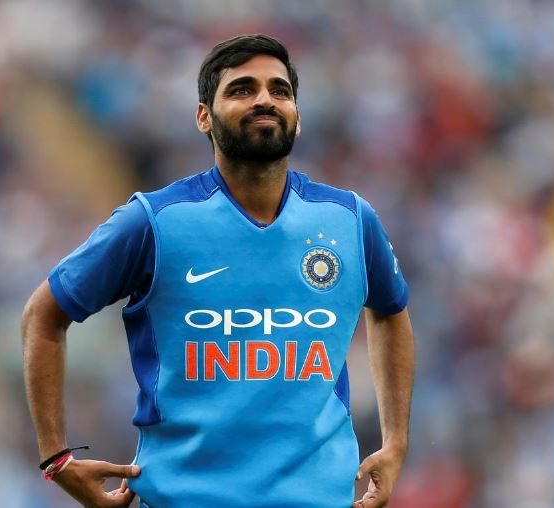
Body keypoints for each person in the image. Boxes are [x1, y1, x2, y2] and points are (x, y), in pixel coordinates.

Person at [22, 34, 414, 508]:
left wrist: (395, 443)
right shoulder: (155, 222)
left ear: (297, 117)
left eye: (280, 90)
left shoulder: (350, 220)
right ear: (204, 117)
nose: (265, 99)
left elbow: (391, 312)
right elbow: (43, 316)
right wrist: (56, 458)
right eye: (242, 89)